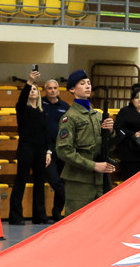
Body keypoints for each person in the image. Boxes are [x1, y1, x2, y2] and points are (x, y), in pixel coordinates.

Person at [55, 70, 115, 215]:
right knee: (77, 223)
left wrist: (111, 131)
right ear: (72, 89)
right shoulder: (70, 118)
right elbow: (64, 150)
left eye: (88, 83)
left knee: (101, 223)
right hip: (79, 181)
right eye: (82, 84)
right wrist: (94, 166)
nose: (87, 86)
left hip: (100, 180)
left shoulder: (97, 115)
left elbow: (106, 144)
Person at [9, 70, 51, 225]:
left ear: (39, 93)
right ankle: (15, 216)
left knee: (40, 181)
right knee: (21, 180)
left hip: (41, 149)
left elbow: (46, 133)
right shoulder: (22, 109)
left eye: (35, 89)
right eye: (30, 89)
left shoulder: (42, 112)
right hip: (26, 148)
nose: (32, 91)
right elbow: (21, 100)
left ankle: (39, 216)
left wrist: (48, 151)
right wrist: (29, 82)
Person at [114, 83, 140, 181]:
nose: (139, 100)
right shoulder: (125, 112)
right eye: (136, 97)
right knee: (131, 180)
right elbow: (118, 128)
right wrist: (133, 134)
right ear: (132, 99)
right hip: (131, 154)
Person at [41, 78, 69, 221]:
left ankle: (57, 212)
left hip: (62, 148)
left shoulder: (65, 106)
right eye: (49, 88)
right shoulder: (40, 104)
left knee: (63, 180)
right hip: (46, 148)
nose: (52, 90)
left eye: (55, 88)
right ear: (45, 90)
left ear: (58, 90)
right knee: (55, 181)